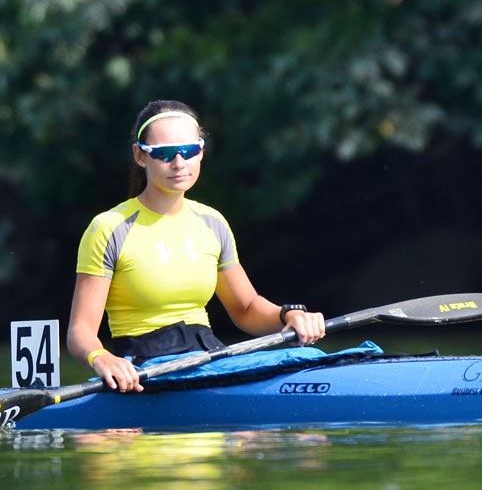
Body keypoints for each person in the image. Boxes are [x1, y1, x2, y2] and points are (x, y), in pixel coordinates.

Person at [68, 99, 326, 392]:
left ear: (200, 152)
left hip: (209, 358)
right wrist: (101, 358)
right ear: (140, 156)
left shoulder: (212, 222)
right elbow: (81, 330)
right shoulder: (109, 227)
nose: (179, 163)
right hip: (145, 369)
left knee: (309, 358)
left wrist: (289, 315)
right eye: (165, 154)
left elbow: (245, 308)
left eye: (189, 151)